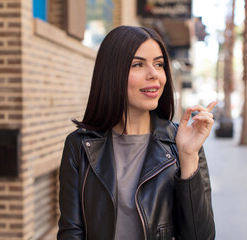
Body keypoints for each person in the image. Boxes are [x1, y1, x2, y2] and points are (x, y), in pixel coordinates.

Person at [57, 25, 216, 240]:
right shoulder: (80, 146)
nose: (154, 75)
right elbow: (71, 232)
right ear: (112, 73)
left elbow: (201, 237)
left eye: (159, 64)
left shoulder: (181, 144)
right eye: (138, 64)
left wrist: (187, 156)